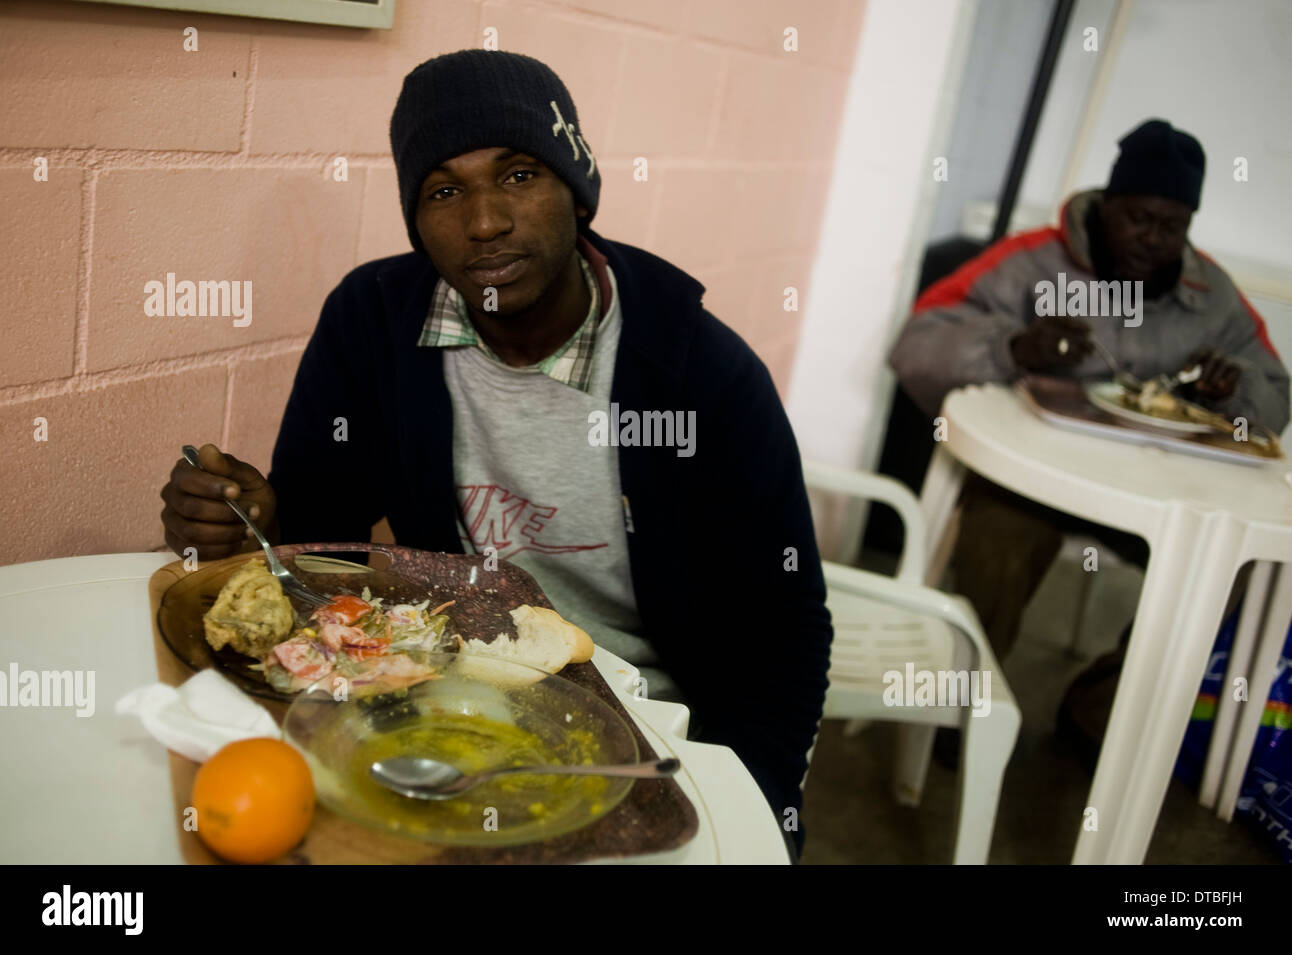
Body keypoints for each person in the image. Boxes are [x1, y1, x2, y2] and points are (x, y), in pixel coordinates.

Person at [159, 50, 832, 857]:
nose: (484, 222)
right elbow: (314, 546)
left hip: (657, 731)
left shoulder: (702, 373)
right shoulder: (373, 321)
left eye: (519, 176)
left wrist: (760, 810)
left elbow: (784, 629)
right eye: (444, 191)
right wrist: (248, 522)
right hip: (448, 705)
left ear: (577, 193)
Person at [887, 118, 1290, 766]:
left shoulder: (1211, 293)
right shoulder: (1032, 260)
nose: (1155, 240)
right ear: (1107, 204)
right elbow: (917, 342)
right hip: (1033, 482)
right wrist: (1012, 346)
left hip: (1151, 494)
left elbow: (1276, 389)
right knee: (999, 538)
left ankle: (1094, 713)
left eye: (1174, 225)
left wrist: (1233, 392)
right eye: (1139, 218)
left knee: (1229, 571)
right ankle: (958, 710)